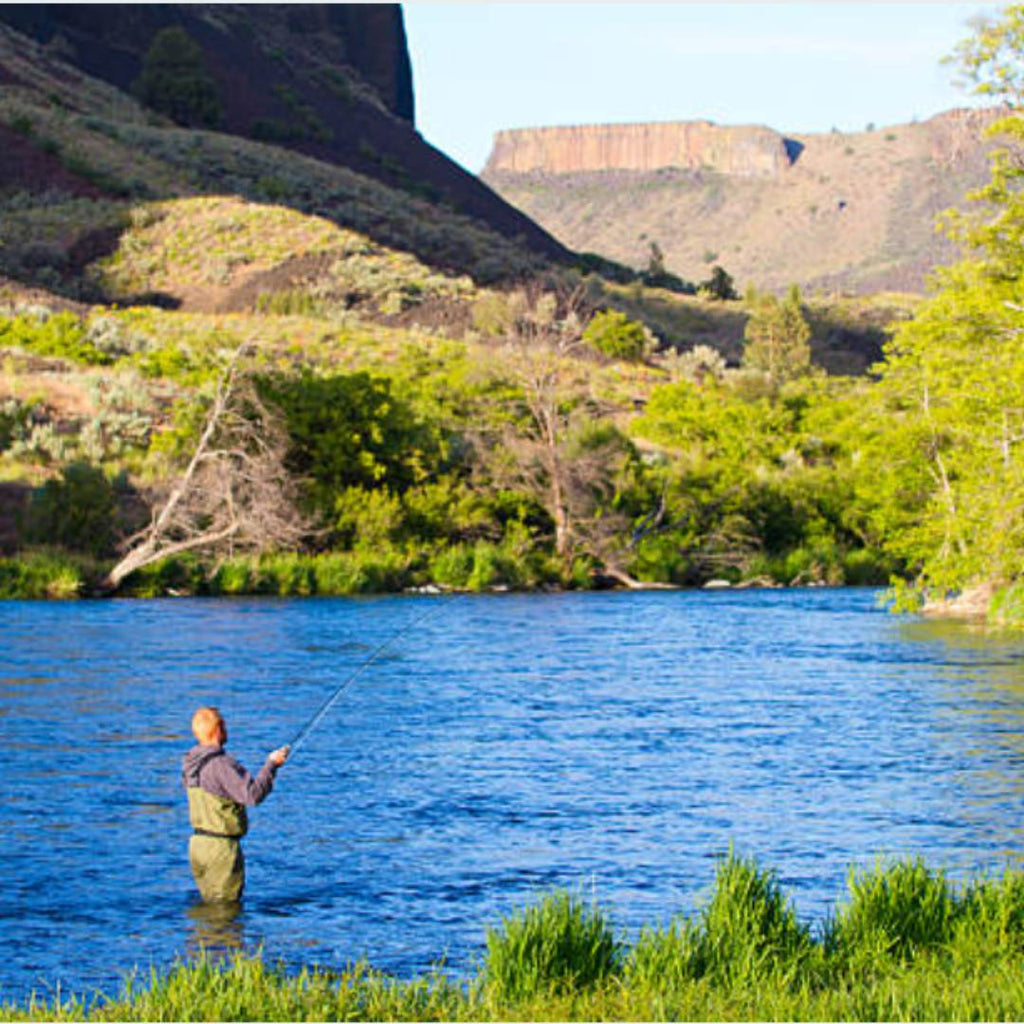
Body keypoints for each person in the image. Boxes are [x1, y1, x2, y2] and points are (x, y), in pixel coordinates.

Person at [182, 706, 289, 902]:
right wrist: (271, 765)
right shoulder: (221, 764)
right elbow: (252, 795)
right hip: (220, 849)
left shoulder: (190, 763)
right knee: (225, 913)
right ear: (219, 729)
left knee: (207, 912)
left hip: (198, 846)